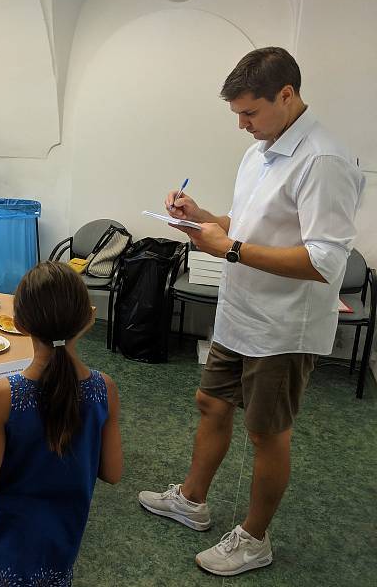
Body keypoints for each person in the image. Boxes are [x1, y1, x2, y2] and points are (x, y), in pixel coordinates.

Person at [138, 47, 364, 576]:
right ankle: (192, 500)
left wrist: (229, 250)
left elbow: (325, 260)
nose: (242, 125)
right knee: (210, 404)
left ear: (287, 95)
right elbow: (250, 222)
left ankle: (255, 538)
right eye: (237, 113)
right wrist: (202, 218)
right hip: (243, 310)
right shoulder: (264, 146)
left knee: (266, 432)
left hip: (285, 325)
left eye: (250, 112)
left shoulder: (324, 159)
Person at [0, 261, 122, 585]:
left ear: (20, 324)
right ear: (89, 318)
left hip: (5, 546)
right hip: (62, 540)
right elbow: (113, 471)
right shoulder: (104, 388)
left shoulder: (1, 395)